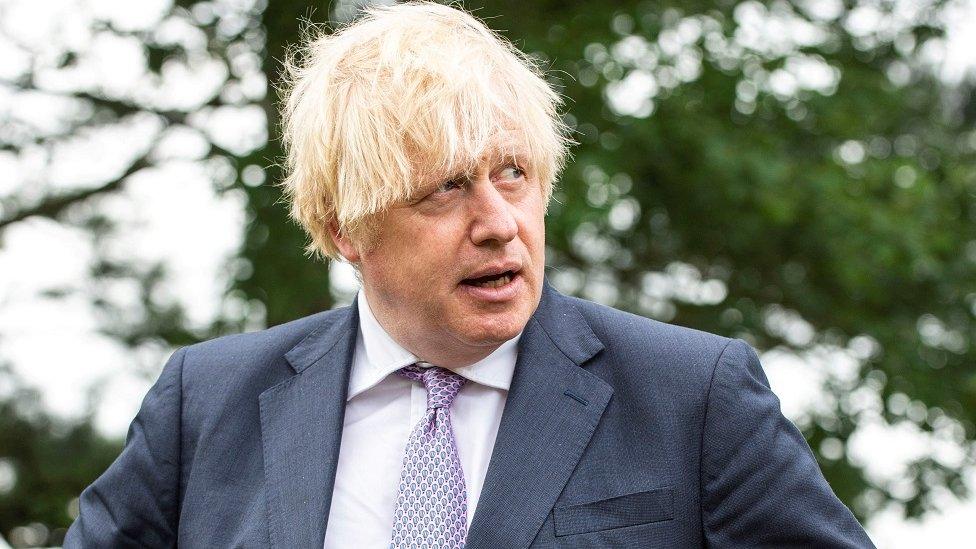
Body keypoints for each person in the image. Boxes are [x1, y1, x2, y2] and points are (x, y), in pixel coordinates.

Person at [65, 2, 875, 547]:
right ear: (346, 229)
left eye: (514, 174)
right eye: (446, 188)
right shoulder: (204, 403)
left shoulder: (694, 396)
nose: (498, 222)